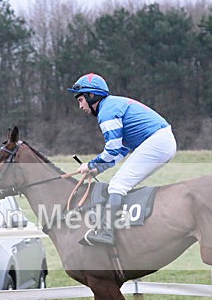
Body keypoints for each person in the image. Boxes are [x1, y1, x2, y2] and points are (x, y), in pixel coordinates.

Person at [67, 73, 177, 246]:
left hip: (157, 142)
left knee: (118, 184)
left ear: (91, 96)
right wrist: (97, 169)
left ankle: (106, 233)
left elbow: (112, 150)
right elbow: (122, 150)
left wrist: (90, 165)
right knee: (122, 184)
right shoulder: (111, 105)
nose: (80, 106)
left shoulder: (107, 112)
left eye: (80, 100)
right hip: (162, 141)